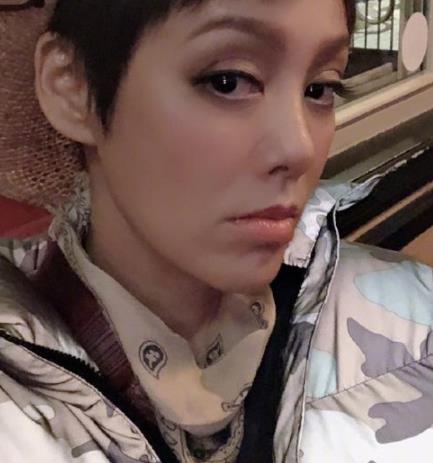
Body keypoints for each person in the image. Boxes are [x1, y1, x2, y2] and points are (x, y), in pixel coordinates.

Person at [0, 1, 432, 462]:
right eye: (228, 81)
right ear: (73, 87)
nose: (299, 147)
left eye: (320, 89)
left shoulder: (416, 320)